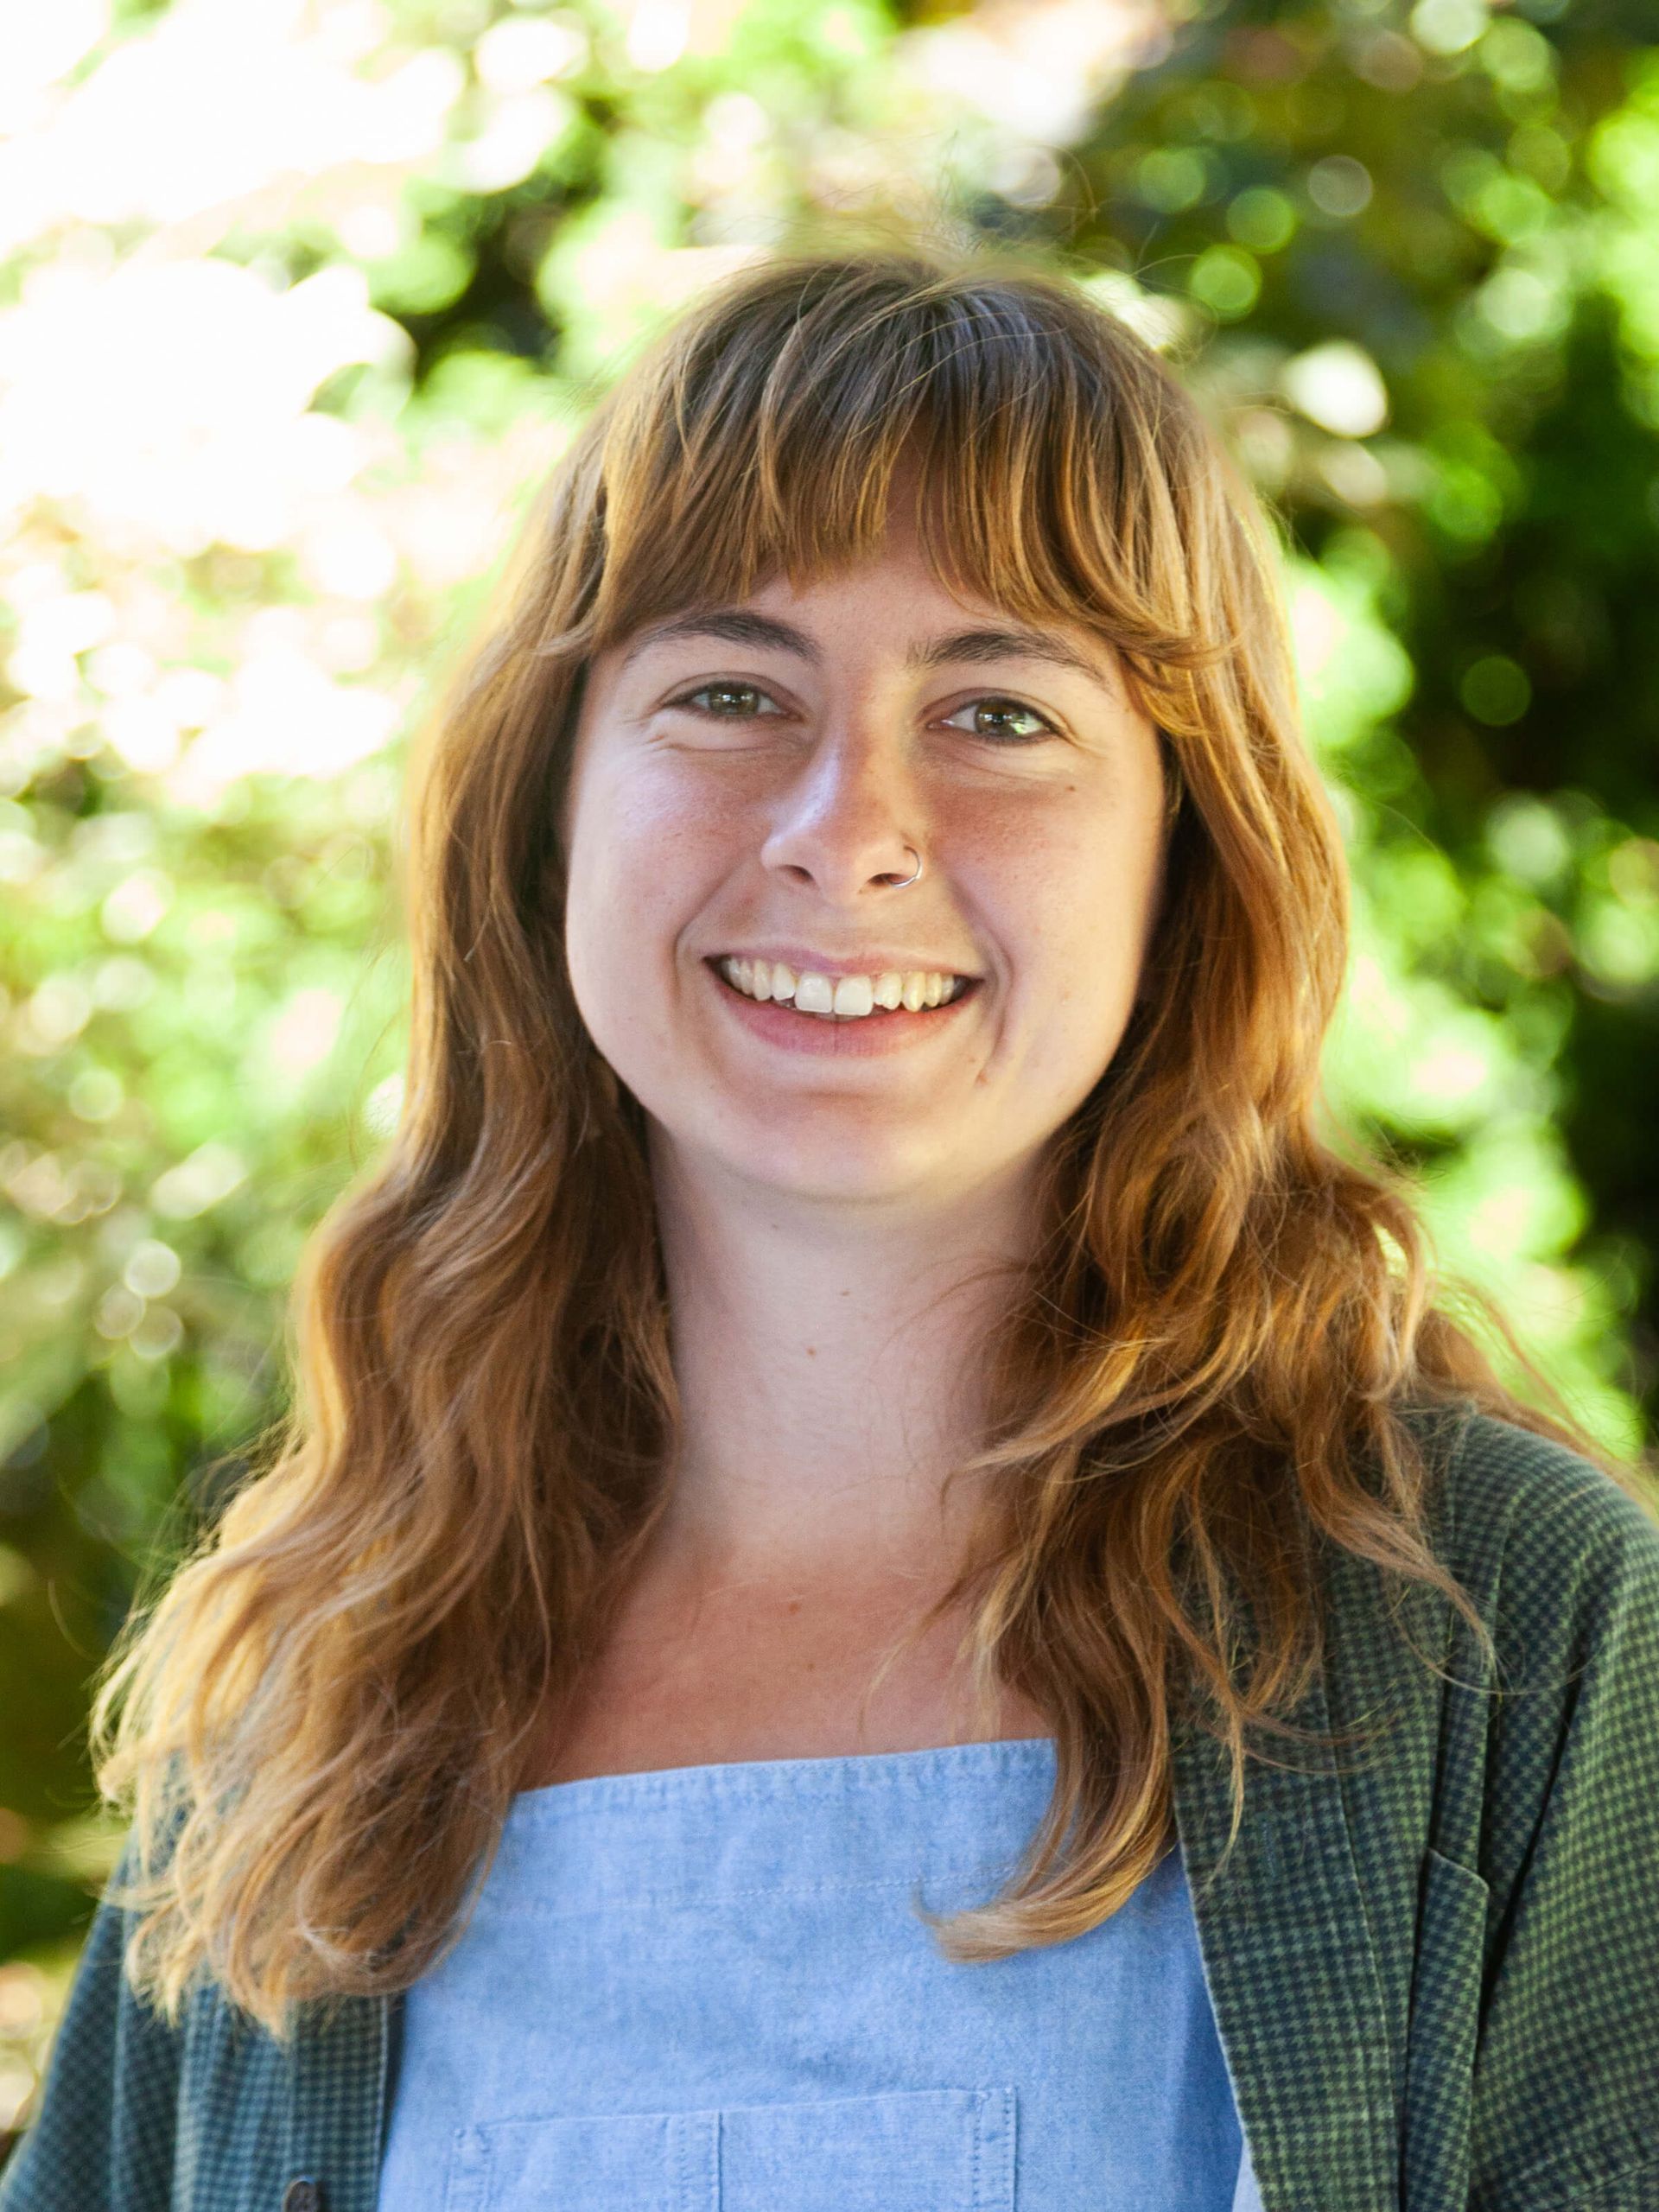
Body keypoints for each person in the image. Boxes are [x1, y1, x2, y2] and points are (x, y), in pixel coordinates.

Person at [3, 246, 1657, 2212]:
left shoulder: (1502, 1625)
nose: (847, 822)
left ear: (1184, 854)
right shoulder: (313, 1697)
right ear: (547, 821)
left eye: (1000, 712)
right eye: (726, 691)